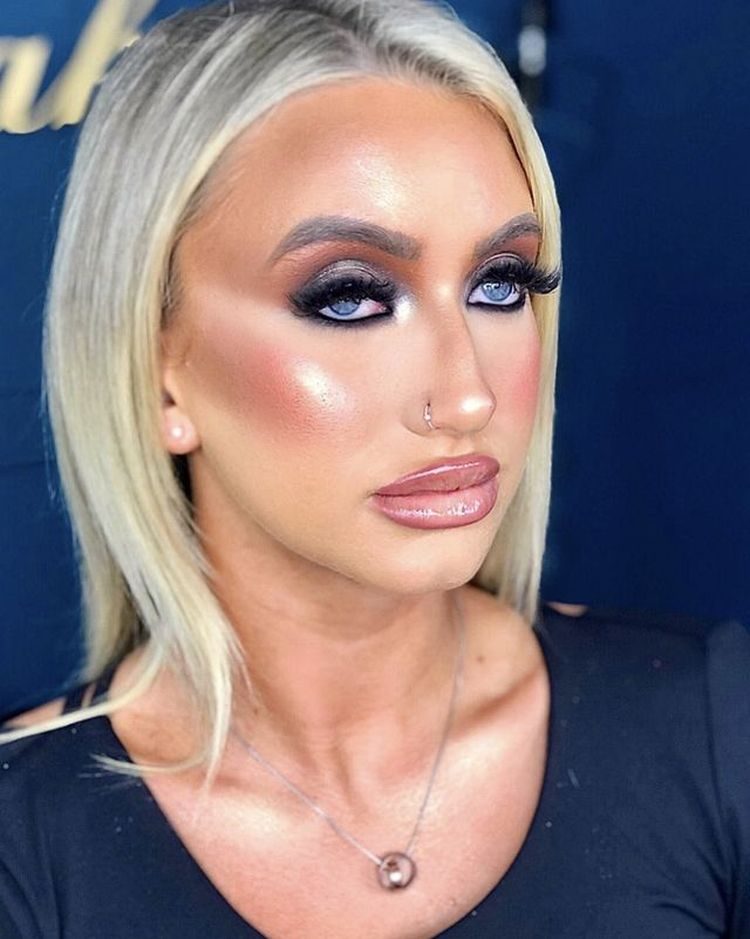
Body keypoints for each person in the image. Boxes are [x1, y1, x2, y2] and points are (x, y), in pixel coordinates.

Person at [1, 0, 748, 936]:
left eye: (500, 284)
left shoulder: (709, 724)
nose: (466, 396)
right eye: (350, 298)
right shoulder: (24, 839)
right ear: (156, 373)